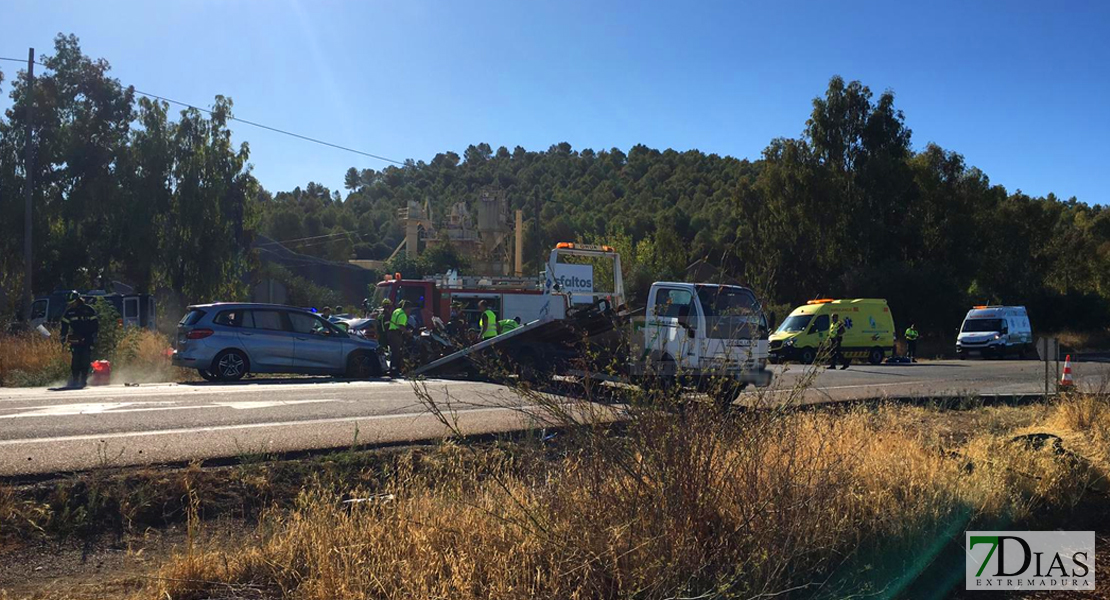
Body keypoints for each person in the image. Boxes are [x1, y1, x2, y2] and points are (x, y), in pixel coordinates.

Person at [58, 291, 99, 388]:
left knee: (85, 358)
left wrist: (94, 336)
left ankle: (83, 380)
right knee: (75, 359)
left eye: (73, 302)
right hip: (76, 338)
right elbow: (64, 325)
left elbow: (95, 324)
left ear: (78, 300)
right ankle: (75, 379)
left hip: (88, 338)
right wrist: (63, 336)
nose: (71, 304)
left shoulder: (88, 310)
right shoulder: (69, 313)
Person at [387, 300, 413, 377]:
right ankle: (394, 370)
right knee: (396, 353)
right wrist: (408, 332)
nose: (410, 311)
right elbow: (401, 327)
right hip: (396, 335)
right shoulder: (403, 315)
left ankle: (393, 368)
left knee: (393, 352)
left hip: (390, 333)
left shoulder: (397, 311)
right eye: (410, 309)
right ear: (407, 308)